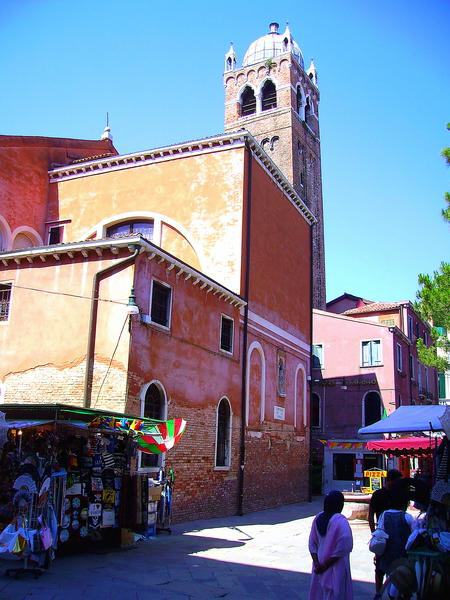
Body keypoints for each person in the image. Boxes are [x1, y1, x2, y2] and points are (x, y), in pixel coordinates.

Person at [309, 490, 353, 600]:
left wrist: (317, 563)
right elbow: (345, 545)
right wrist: (325, 566)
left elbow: (312, 544)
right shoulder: (340, 522)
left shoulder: (317, 518)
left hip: (318, 566)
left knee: (319, 594)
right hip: (336, 567)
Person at [368, 469, 402, 596]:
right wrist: (374, 534)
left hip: (392, 535)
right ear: (390, 480)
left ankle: (389, 593)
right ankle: (379, 593)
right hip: (383, 534)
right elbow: (370, 515)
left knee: (391, 566)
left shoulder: (397, 494)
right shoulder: (379, 494)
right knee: (380, 567)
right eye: (397, 481)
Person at [377, 487, 415, 579]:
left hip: (387, 554)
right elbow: (414, 536)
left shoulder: (384, 514)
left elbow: (379, 534)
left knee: (390, 578)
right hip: (403, 556)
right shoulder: (408, 517)